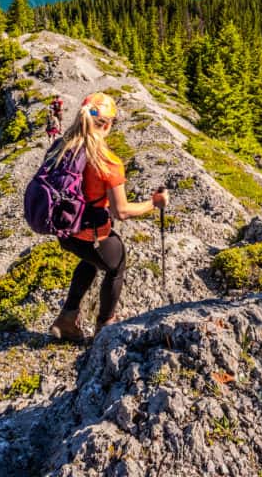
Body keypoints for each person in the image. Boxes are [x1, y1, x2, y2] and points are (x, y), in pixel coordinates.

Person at [49, 91, 169, 341]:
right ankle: (106, 326)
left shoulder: (62, 146)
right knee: (117, 264)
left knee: (92, 260)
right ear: (108, 124)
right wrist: (154, 203)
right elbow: (121, 211)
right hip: (89, 232)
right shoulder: (107, 162)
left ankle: (66, 320)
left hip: (64, 229)